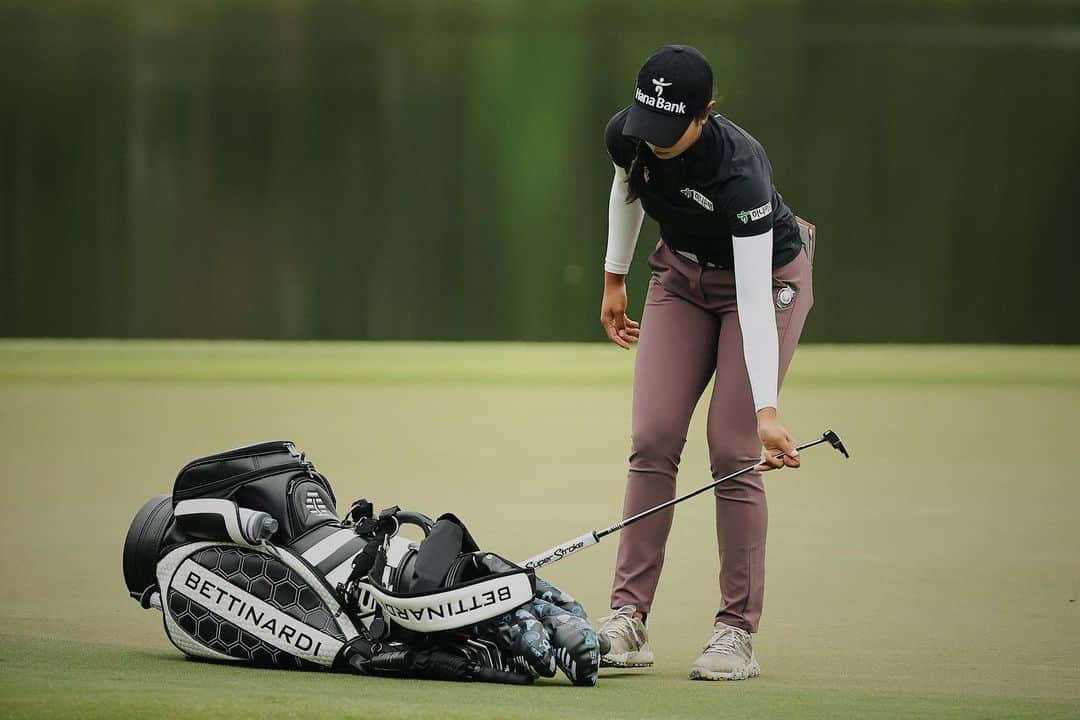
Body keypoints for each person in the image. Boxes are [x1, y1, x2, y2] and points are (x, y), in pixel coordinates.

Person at [595, 45, 816, 681]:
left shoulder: (739, 169)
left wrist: (767, 413)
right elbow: (625, 190)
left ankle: (735, 631)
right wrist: (614, 280)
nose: (657, 143)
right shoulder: (632, 133)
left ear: (706, 114)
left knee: (731, 447)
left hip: (765, 280)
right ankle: (628, 618)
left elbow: (750, 296)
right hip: (680, 278)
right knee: (654, 436)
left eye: (673, 130)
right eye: (649, 126)